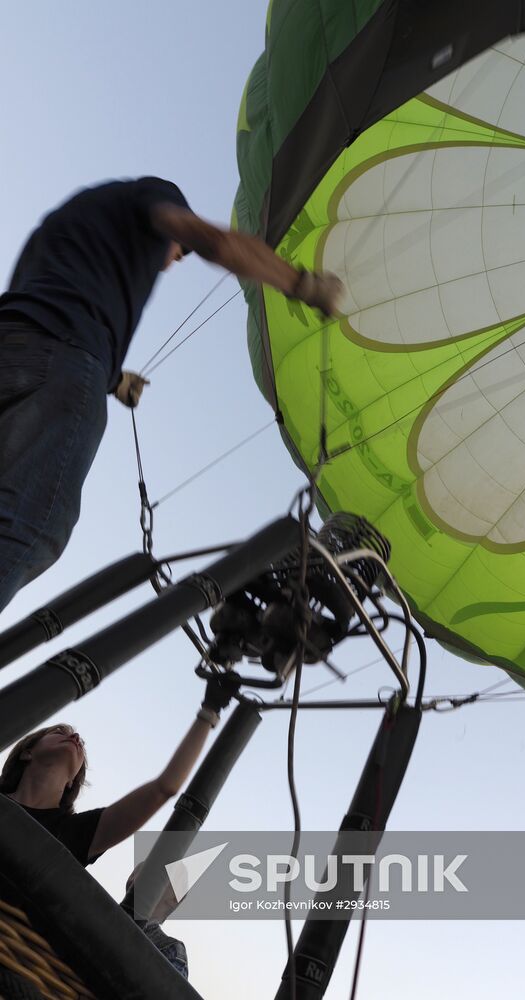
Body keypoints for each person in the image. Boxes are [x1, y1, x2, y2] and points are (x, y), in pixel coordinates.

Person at [0, 177, 343, 613]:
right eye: (178, 253)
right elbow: (214, 241)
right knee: (32, 522)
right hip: (69, 360)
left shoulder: (66, 225)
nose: (172, 262)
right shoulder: (151, 201)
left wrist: (115, 381)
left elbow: (43, 328)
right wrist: (303, 285)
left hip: (16, 345)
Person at [0, 676, 230, 994]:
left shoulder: (77, 833)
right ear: (27, 752)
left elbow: (165, 787)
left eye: (77, 739)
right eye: (59, 732)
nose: (74, 736)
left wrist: (210, 710)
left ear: (73, 782)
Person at [125, 863, 189, 979]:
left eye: (158, 872)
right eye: (140, 869)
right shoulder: (100, 913)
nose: (140, 874)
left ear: (175, 897)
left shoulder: (171, 949)